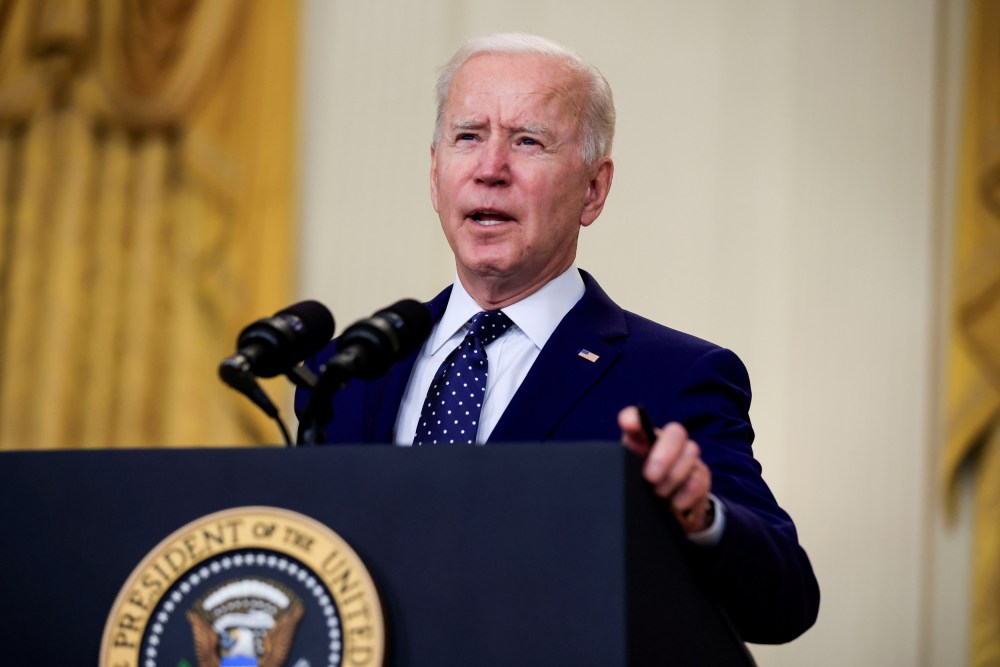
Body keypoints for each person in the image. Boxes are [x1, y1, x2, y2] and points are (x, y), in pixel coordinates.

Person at [297, 32, 819, 643]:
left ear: (593, 190)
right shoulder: (349, 372)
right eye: (468, 137)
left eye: (528, 142)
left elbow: (785, 602)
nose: (490, 170)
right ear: (435, 173)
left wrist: (701, 518)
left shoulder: (676, 376)